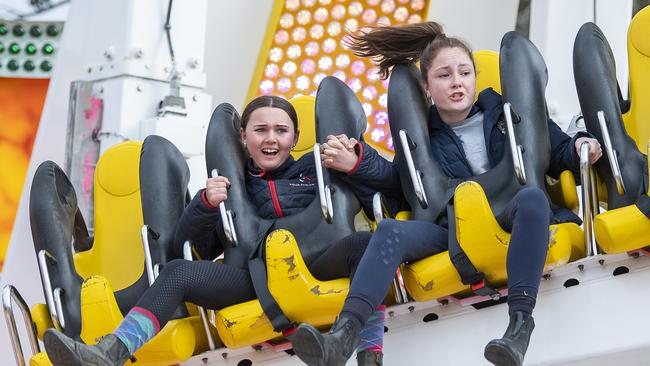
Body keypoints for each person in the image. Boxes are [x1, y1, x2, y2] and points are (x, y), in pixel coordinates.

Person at [291, 22, 602, 366]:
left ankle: (519, 327)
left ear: (474, 77)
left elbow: (556, 149)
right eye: (444, 75)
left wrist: (580, 145)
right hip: (452, 226)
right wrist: (358, 163)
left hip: (512, 210)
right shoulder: (423, 136)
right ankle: (343, 336)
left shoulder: (507, 114)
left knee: (532, 198)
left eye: (464, 72)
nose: (456, 82)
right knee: (390, 230)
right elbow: (402, 182)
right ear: (427, 86)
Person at [42, 96, 390, 366]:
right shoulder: (233, 184)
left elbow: (389, 186)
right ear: (243, 136)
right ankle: (110, 352)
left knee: (367, 244)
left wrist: (358, 162)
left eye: (281, 131)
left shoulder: (318, 167)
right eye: (260, 130)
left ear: (295, 137)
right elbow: (191, 247)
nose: (271, 140)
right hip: (255, 276)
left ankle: (367, 354)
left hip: (319, 260)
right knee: (178, 272)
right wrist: (206, 204)